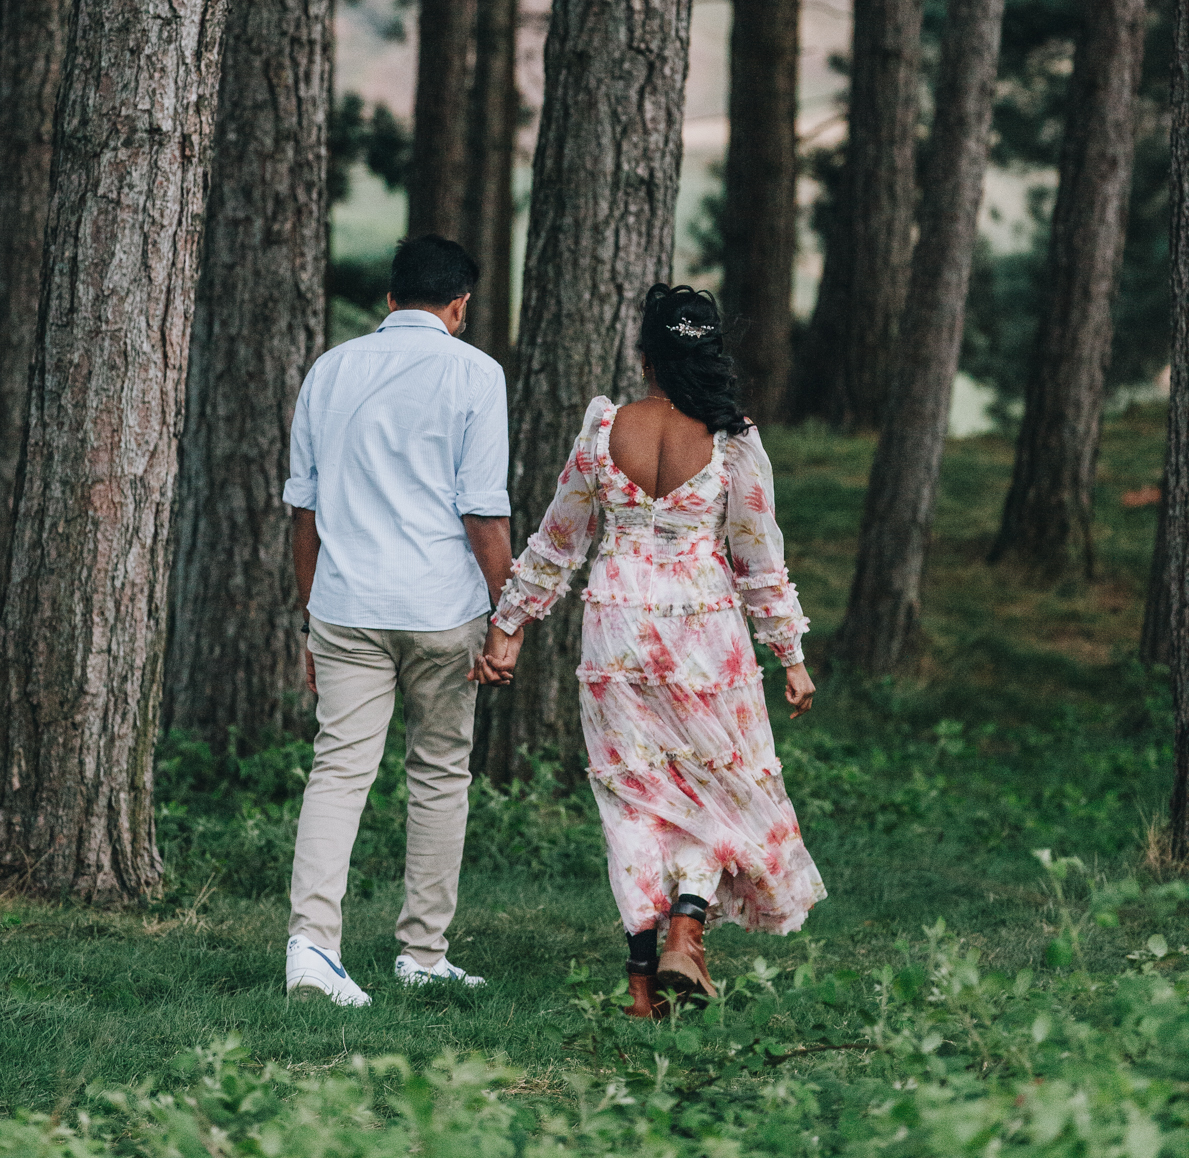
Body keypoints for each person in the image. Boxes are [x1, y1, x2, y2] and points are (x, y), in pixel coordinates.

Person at [475, 284, 826, 1017]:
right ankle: (687, 925)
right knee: (709, 783)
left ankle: (641, 985)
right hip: (704, 636)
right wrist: (789, 656)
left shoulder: (605, 430)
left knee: (633, 799)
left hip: (618, 635)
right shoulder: (732, 441)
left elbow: (555, 542)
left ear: (644, 355)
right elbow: (759, 560)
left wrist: (508, 630)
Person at [283, 233, 516, 1006]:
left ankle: (313, 947)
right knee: (440, 773)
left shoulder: (329, 369)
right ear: (460, 306)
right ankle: (421, 952)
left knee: (339, 770)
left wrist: (310, 618)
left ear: (389, 299)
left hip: (344, 605)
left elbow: (303, 511)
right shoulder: (477, 374)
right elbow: (483, 513)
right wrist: (506, 616)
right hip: (440, 609)